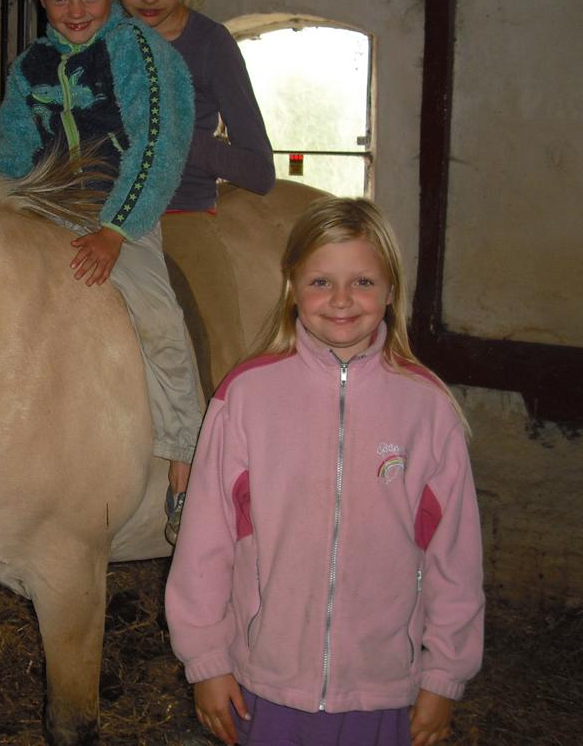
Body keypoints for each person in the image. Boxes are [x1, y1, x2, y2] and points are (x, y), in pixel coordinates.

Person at [165, 197, 485, 746]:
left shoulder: (427, 408)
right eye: (320, 282)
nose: (341, 300)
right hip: (263, 682)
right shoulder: (246, 397)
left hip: (384, 688)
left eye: (362, 282)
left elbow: (454, 555)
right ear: (291, 286)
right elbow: (205, 539)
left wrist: (444, 676)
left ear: (391, 290)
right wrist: (207, 660)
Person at [0, 0, 204, 540]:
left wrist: (116, 231)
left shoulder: (141, 54)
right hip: (47, 209)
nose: (76, 10)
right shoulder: (31, 65)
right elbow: (12, 145)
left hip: (120, 212)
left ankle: (184, 461)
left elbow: (159, 146)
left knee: (162, 325)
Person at [109, 0, 277, 536]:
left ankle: (210, 498)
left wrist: (178, 139)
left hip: (181, 211)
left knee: (219, 354)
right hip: (101, 211)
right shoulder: (101, 38)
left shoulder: (210, 45)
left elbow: (258, 169)